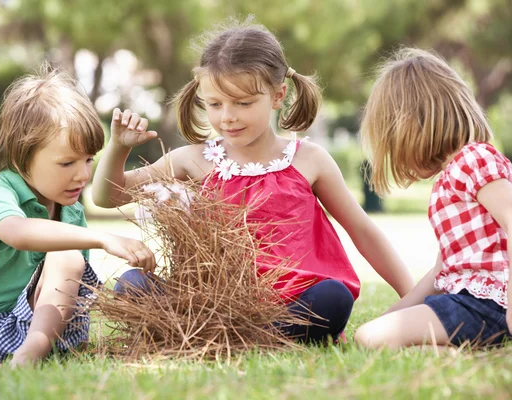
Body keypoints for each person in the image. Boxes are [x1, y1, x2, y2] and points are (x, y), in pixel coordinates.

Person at [92, 19, 413, 344]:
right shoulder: (193, 159)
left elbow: (362, 229)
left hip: (292, 304)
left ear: (278, 95)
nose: (227, 116)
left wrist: (411, 298)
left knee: (334, 297)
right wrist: (118, 148)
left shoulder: (308, 159)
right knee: (133, 283)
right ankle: (237, 334)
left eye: (243, 103)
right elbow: (108, 196)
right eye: (215, 104)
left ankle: (242, 337)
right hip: (212, 305)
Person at [0, 66, 155, 373]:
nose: (82, 175)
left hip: (31, 330)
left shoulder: (71, 212)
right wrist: (103, 238)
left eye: (88, 160)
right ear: (21, 157)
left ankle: (28, 356)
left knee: (67, 256)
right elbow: (17, 231)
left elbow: (71, 290)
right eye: (66, 163)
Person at [355, 48, 512, 350]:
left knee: (372, 339)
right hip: (471, 304)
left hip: (488, 305)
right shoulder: (452, 176)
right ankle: (471, 352)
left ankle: (473, 352)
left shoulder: (472, 159)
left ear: (415, 125)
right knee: (371, 334)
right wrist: (393, 313)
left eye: (395, 144)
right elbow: (442, 271)